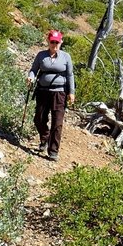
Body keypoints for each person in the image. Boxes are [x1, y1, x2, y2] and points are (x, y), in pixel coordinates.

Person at [27, 30, 75, 161]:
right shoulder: (41, 55)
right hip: (42, 91)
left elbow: (70, 75)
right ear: (48, 41)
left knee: (57, 122)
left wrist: (71, 92)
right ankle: (45, 137)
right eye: (52, 42)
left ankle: (53, 151)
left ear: (61, 42)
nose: (54, 44)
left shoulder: (66, 57)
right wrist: (30, 77)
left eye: (57, 42)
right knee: (39, 118)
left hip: (59, 93)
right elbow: (34, 70)